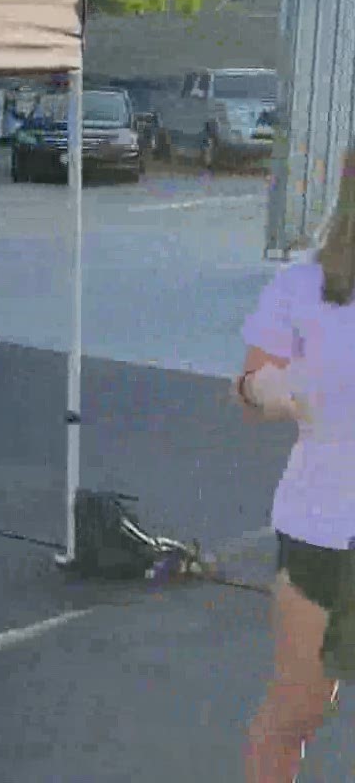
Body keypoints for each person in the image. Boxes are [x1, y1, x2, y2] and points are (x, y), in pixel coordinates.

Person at [237, 146, 355, 783]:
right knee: (300, 708)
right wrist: (269, 389)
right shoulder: (304, 285)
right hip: (321, 528)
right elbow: (250, 382)